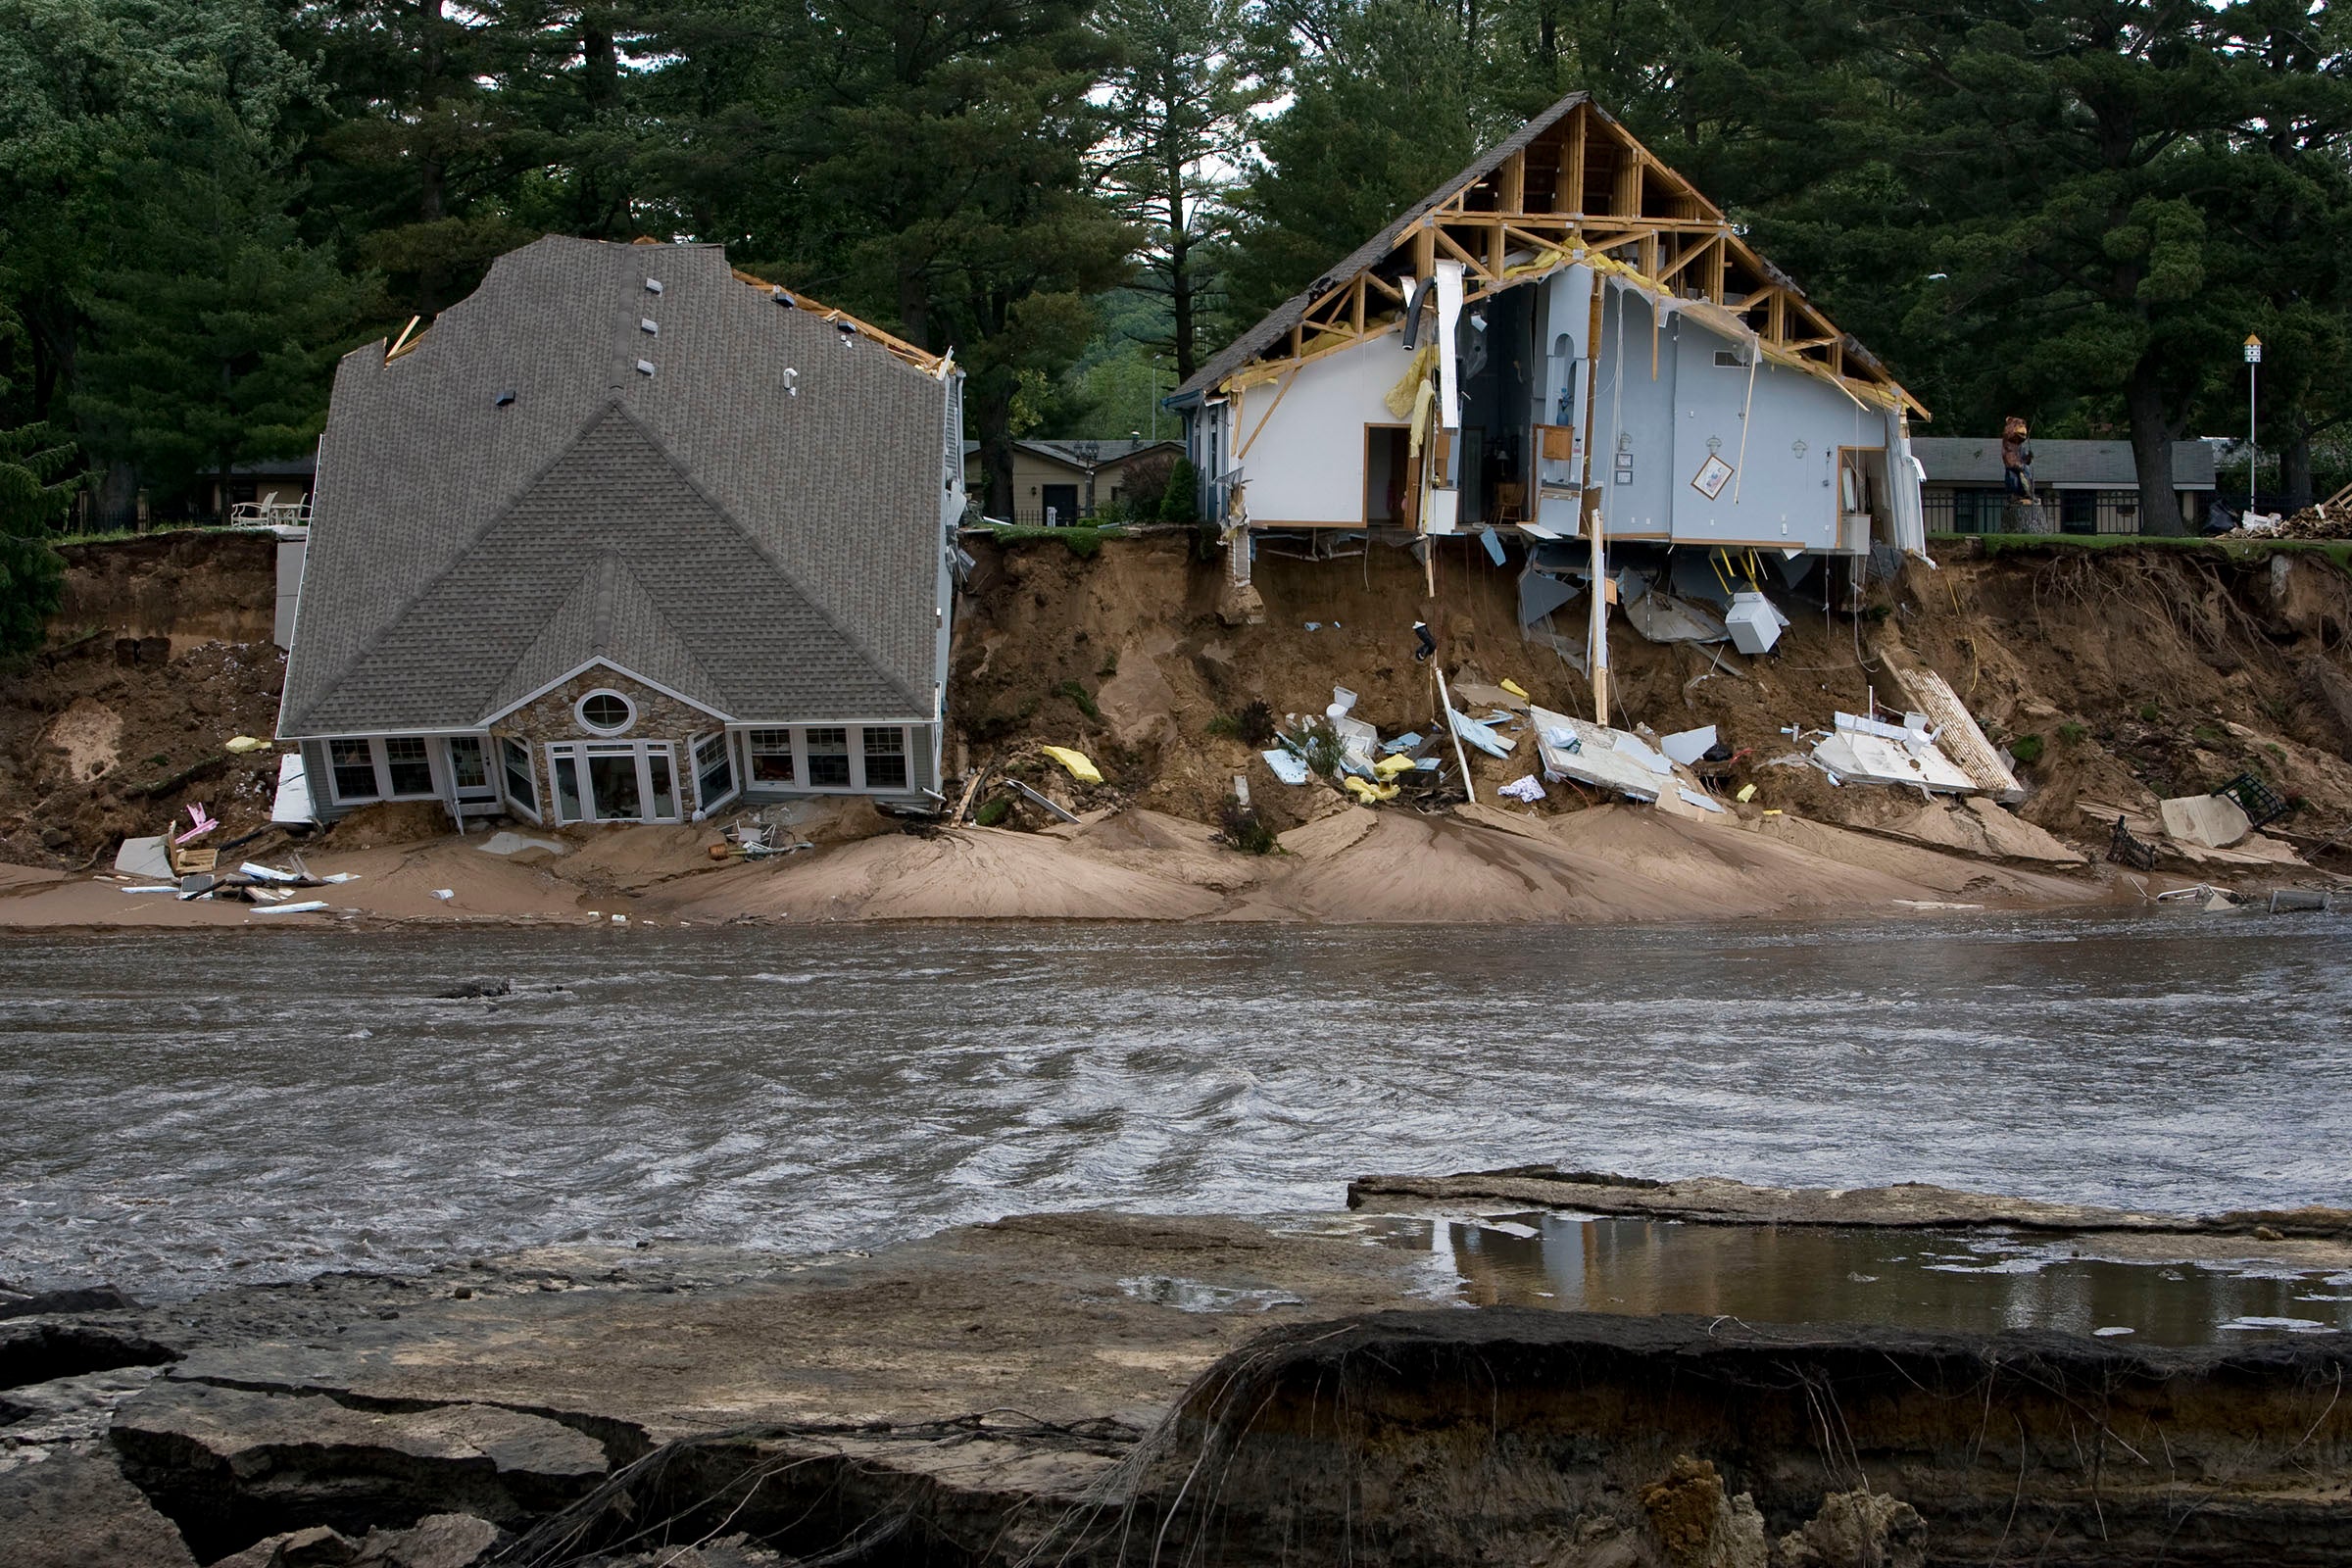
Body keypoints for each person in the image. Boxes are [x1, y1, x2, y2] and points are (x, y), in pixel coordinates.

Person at [2001, 416, 2034, 501]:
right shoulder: (2008, 445)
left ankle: (2027, 493)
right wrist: (2018, 465)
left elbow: (2025, 461)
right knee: (2013, 478)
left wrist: (2028, 458)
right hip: (2013, 470)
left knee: (2026, 471)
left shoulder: (2020, 447)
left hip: (2022, 470)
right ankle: (2013, 494)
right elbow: (2009, 460)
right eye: (2018, 425)